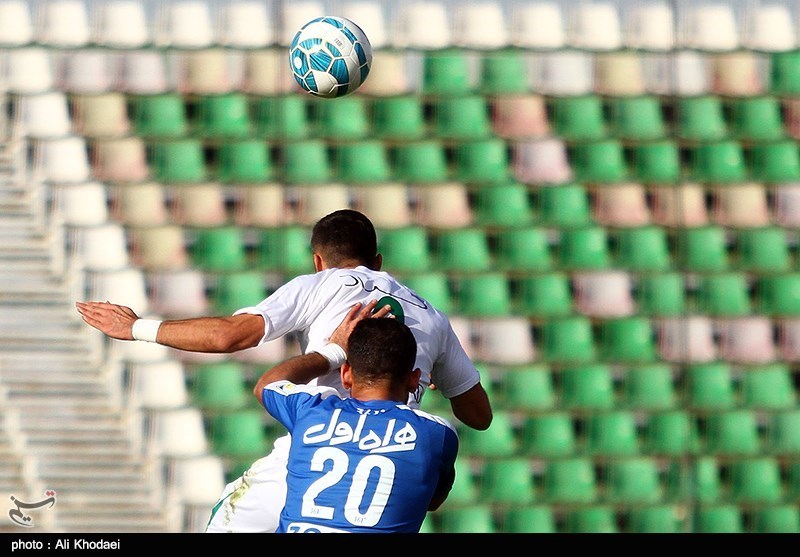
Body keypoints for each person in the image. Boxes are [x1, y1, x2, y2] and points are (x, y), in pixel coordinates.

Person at [75, 208, 492, 533]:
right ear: (379, 261)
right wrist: (424, 376)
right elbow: (478, 415)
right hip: (394, 472)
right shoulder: (432, 316)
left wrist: (136, 328)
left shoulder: (320, 285)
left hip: (312, 454)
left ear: (319, 261)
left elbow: (229, 337)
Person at [255, 299, 458, 533]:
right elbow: (432, 501)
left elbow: (266, 385)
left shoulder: (310, 410)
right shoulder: (436, 433)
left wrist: (334, 350)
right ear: (414, 380)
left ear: (345, 374)